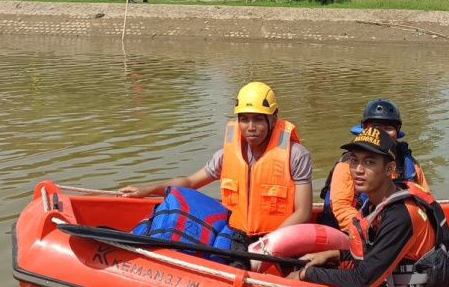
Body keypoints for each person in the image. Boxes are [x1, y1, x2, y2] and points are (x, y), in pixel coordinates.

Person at [120, 82, 314, 239]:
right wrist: (149, 189)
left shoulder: (296, 155)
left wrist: (267, 244)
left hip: (279, 237)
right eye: (244, 119)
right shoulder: (226, 155)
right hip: (235, 235)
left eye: (258, 119)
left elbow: (303, 212)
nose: (251, 127)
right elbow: (189, 183)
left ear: (273, 119)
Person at [290, 127, 449, 287]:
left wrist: (306, 274)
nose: (358, 170)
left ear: (390, 169)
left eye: (369, 162)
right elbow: (371, 255)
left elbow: (363, 282)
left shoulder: (401, 215)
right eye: (354, 160)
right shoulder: (374, 204)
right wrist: (333, 255)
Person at [319, 99, 430, 235]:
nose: (382, 133)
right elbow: (341, 208)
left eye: (388, 128)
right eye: (376, 126)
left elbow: (425, 200)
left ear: (397, 131)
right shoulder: (347, 165)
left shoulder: (409, 164)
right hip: (354, 232)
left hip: (397, 227)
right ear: (365, 130)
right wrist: (372, 230)